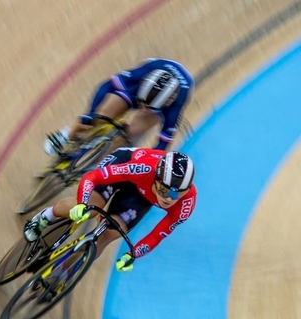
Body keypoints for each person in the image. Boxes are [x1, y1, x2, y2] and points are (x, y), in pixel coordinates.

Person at [23, 147, 197, 272]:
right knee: (91, 211)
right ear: (156, 180)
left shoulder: (186, 205)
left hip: (142, 196)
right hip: (123, 166)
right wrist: (83, 204)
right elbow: (92, 177)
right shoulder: (143, 168)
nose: (168, 199)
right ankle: (45, 217)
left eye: (177, 194)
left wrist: (133, 255)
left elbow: (157, 235)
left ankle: (63, 271)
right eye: (164, 191)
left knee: (110, 234)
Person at [44, 58, 195, 156]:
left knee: (129, 134)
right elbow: (106, 86)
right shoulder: (142, 75)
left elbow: (163, 143)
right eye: (141, 104)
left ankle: (98, 161)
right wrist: (91, 114)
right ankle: (65, 135)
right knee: (99, 116)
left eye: (147, 107)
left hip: (158, 106)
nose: (141, 109)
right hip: (135, 92)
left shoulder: (175, 105)